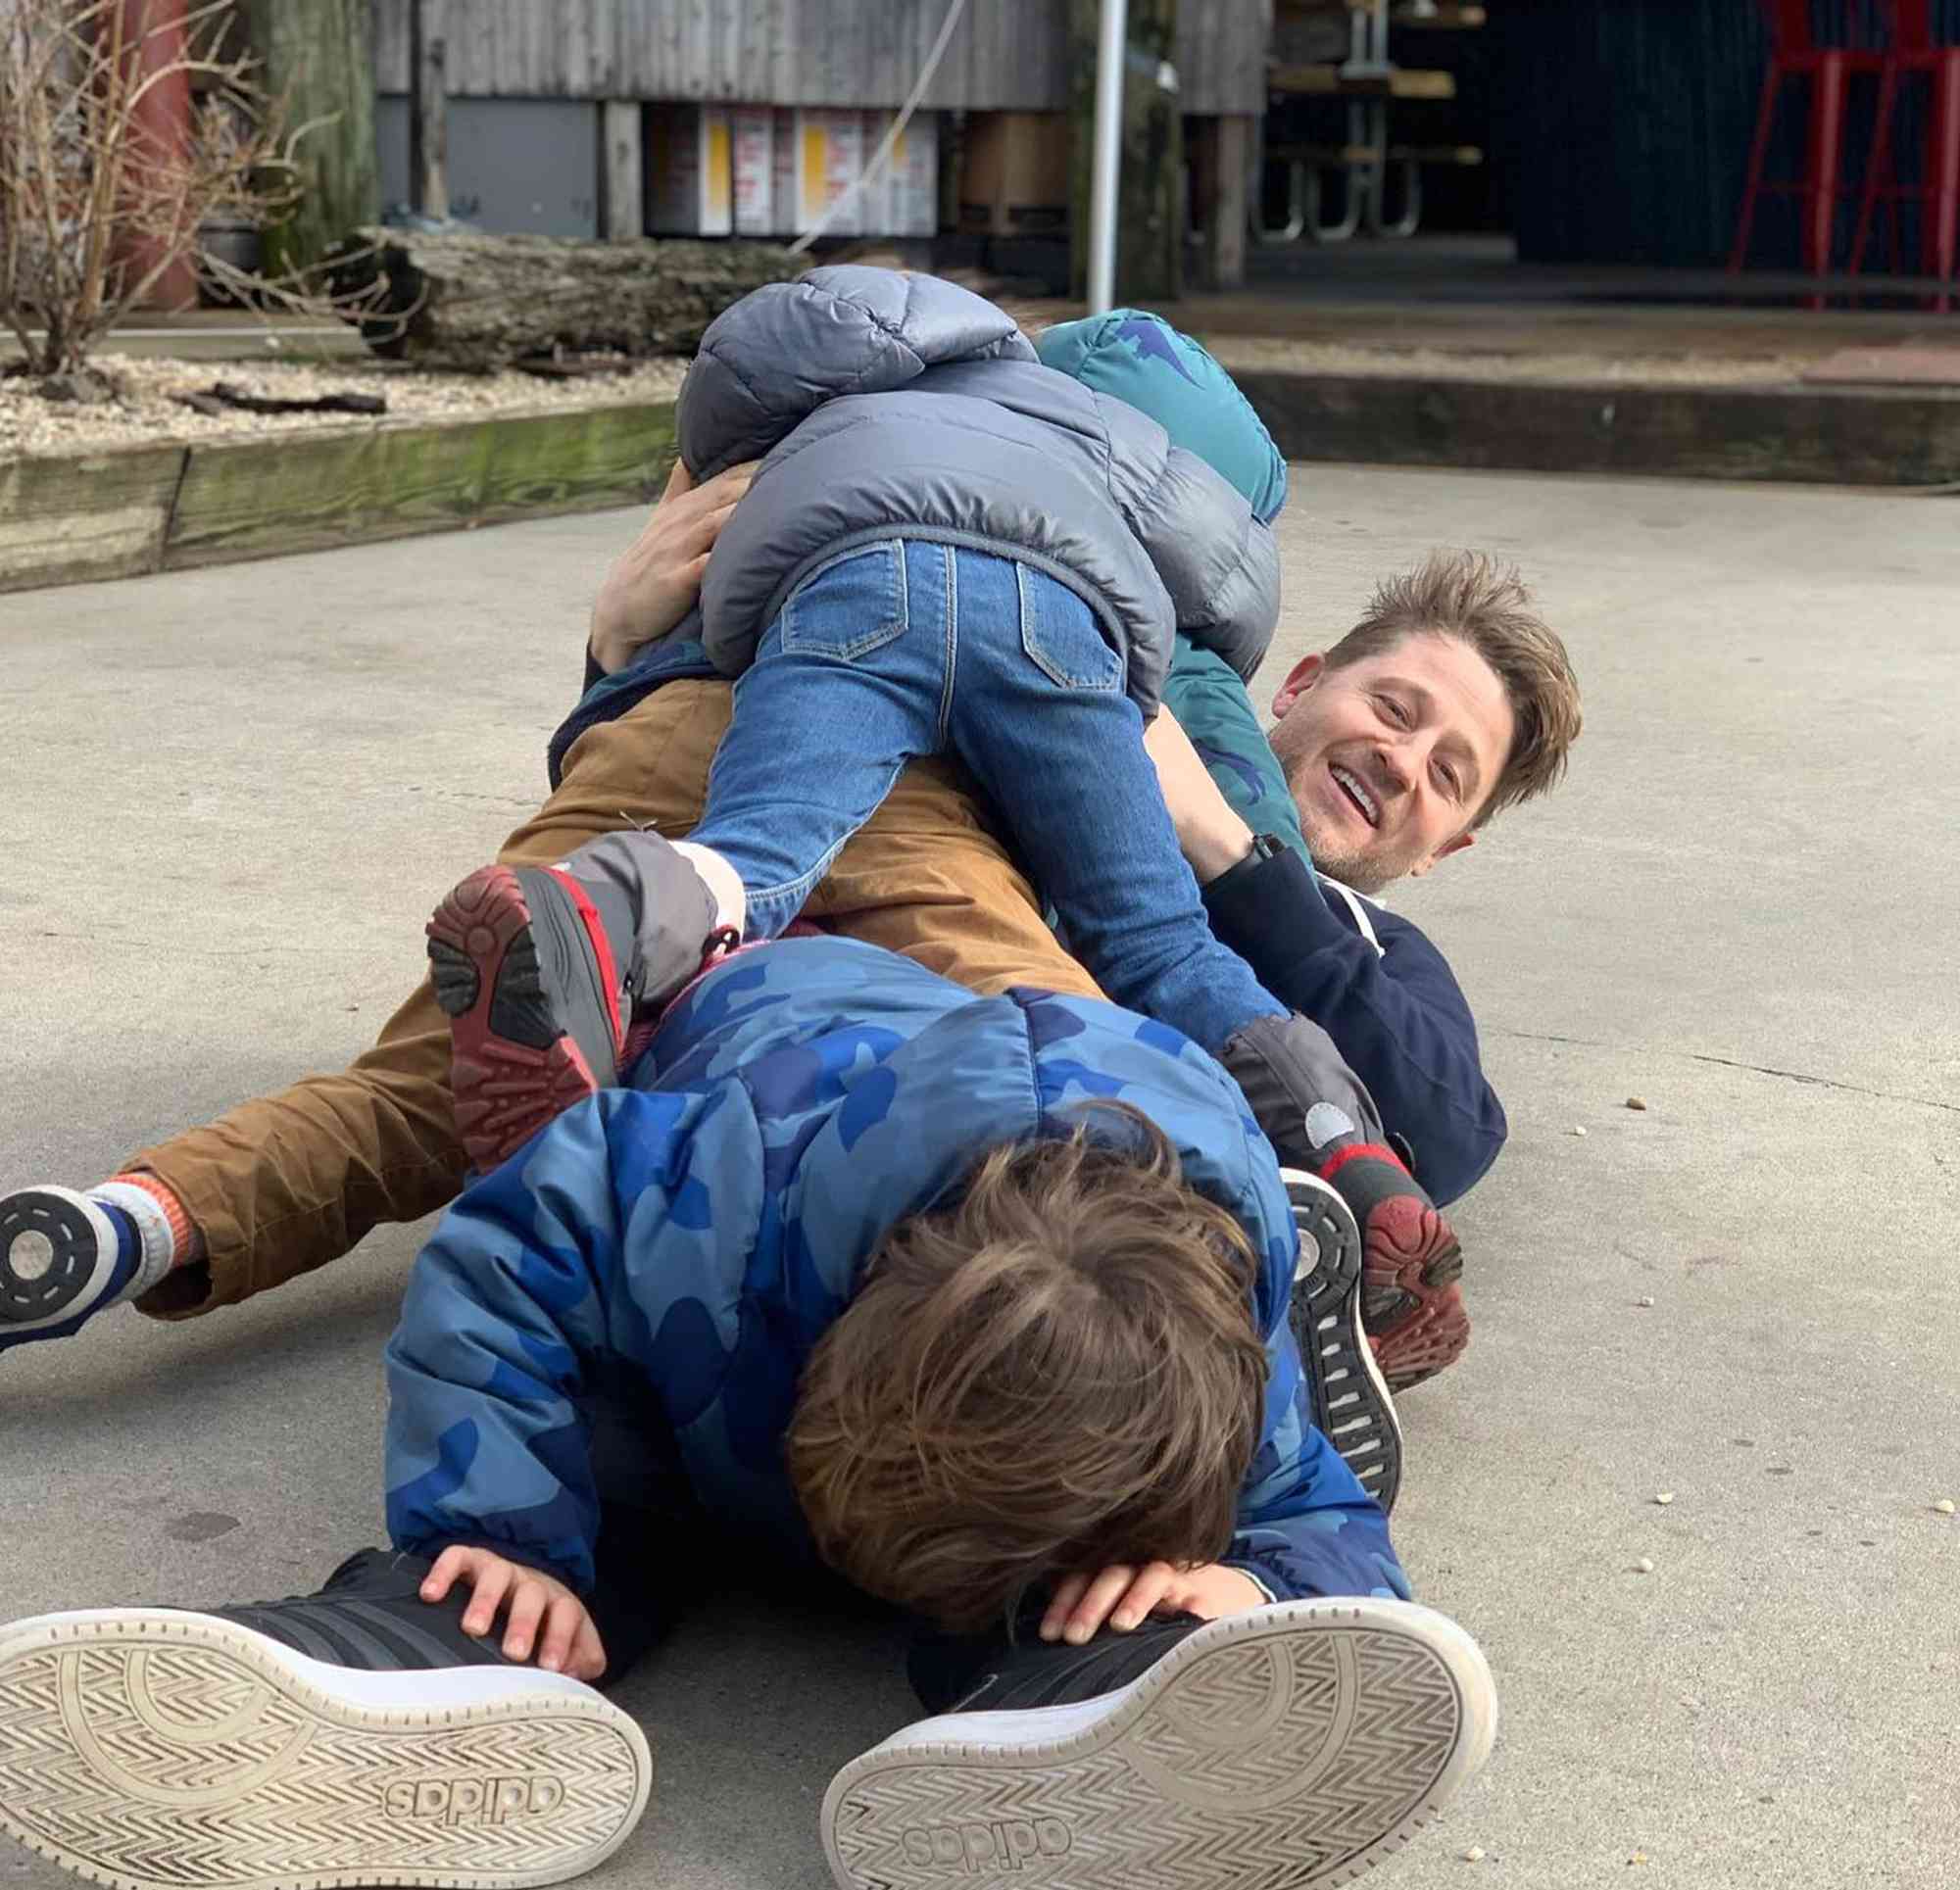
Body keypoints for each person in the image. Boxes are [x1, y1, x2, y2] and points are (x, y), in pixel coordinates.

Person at [0, 298, 1580, 1420]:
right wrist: (623, 641)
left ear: (1446, 849)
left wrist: (1236, 846)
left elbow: (1443, 1117)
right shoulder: (1175, 662)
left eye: (1452, 774)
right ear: (1290, 679)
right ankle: (1220, 1331)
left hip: (715, 820)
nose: (1401, 761)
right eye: (1395, 705)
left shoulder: (1366, 942)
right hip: (876, 855)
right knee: (1069, 1105)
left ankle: (135, 1221)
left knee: (421, 1086)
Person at [0, 933, 1496, 1890]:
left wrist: (1252, 1588)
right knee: (596, 1469)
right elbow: (499, 1256)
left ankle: (1082, 1687)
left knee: (1150, 1562)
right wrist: (498, 1532)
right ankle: (430, 1646)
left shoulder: (1209, 1338)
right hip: (768, 1146)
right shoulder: (707, 1184)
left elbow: (1304, 1498)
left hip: (1070, 1334)